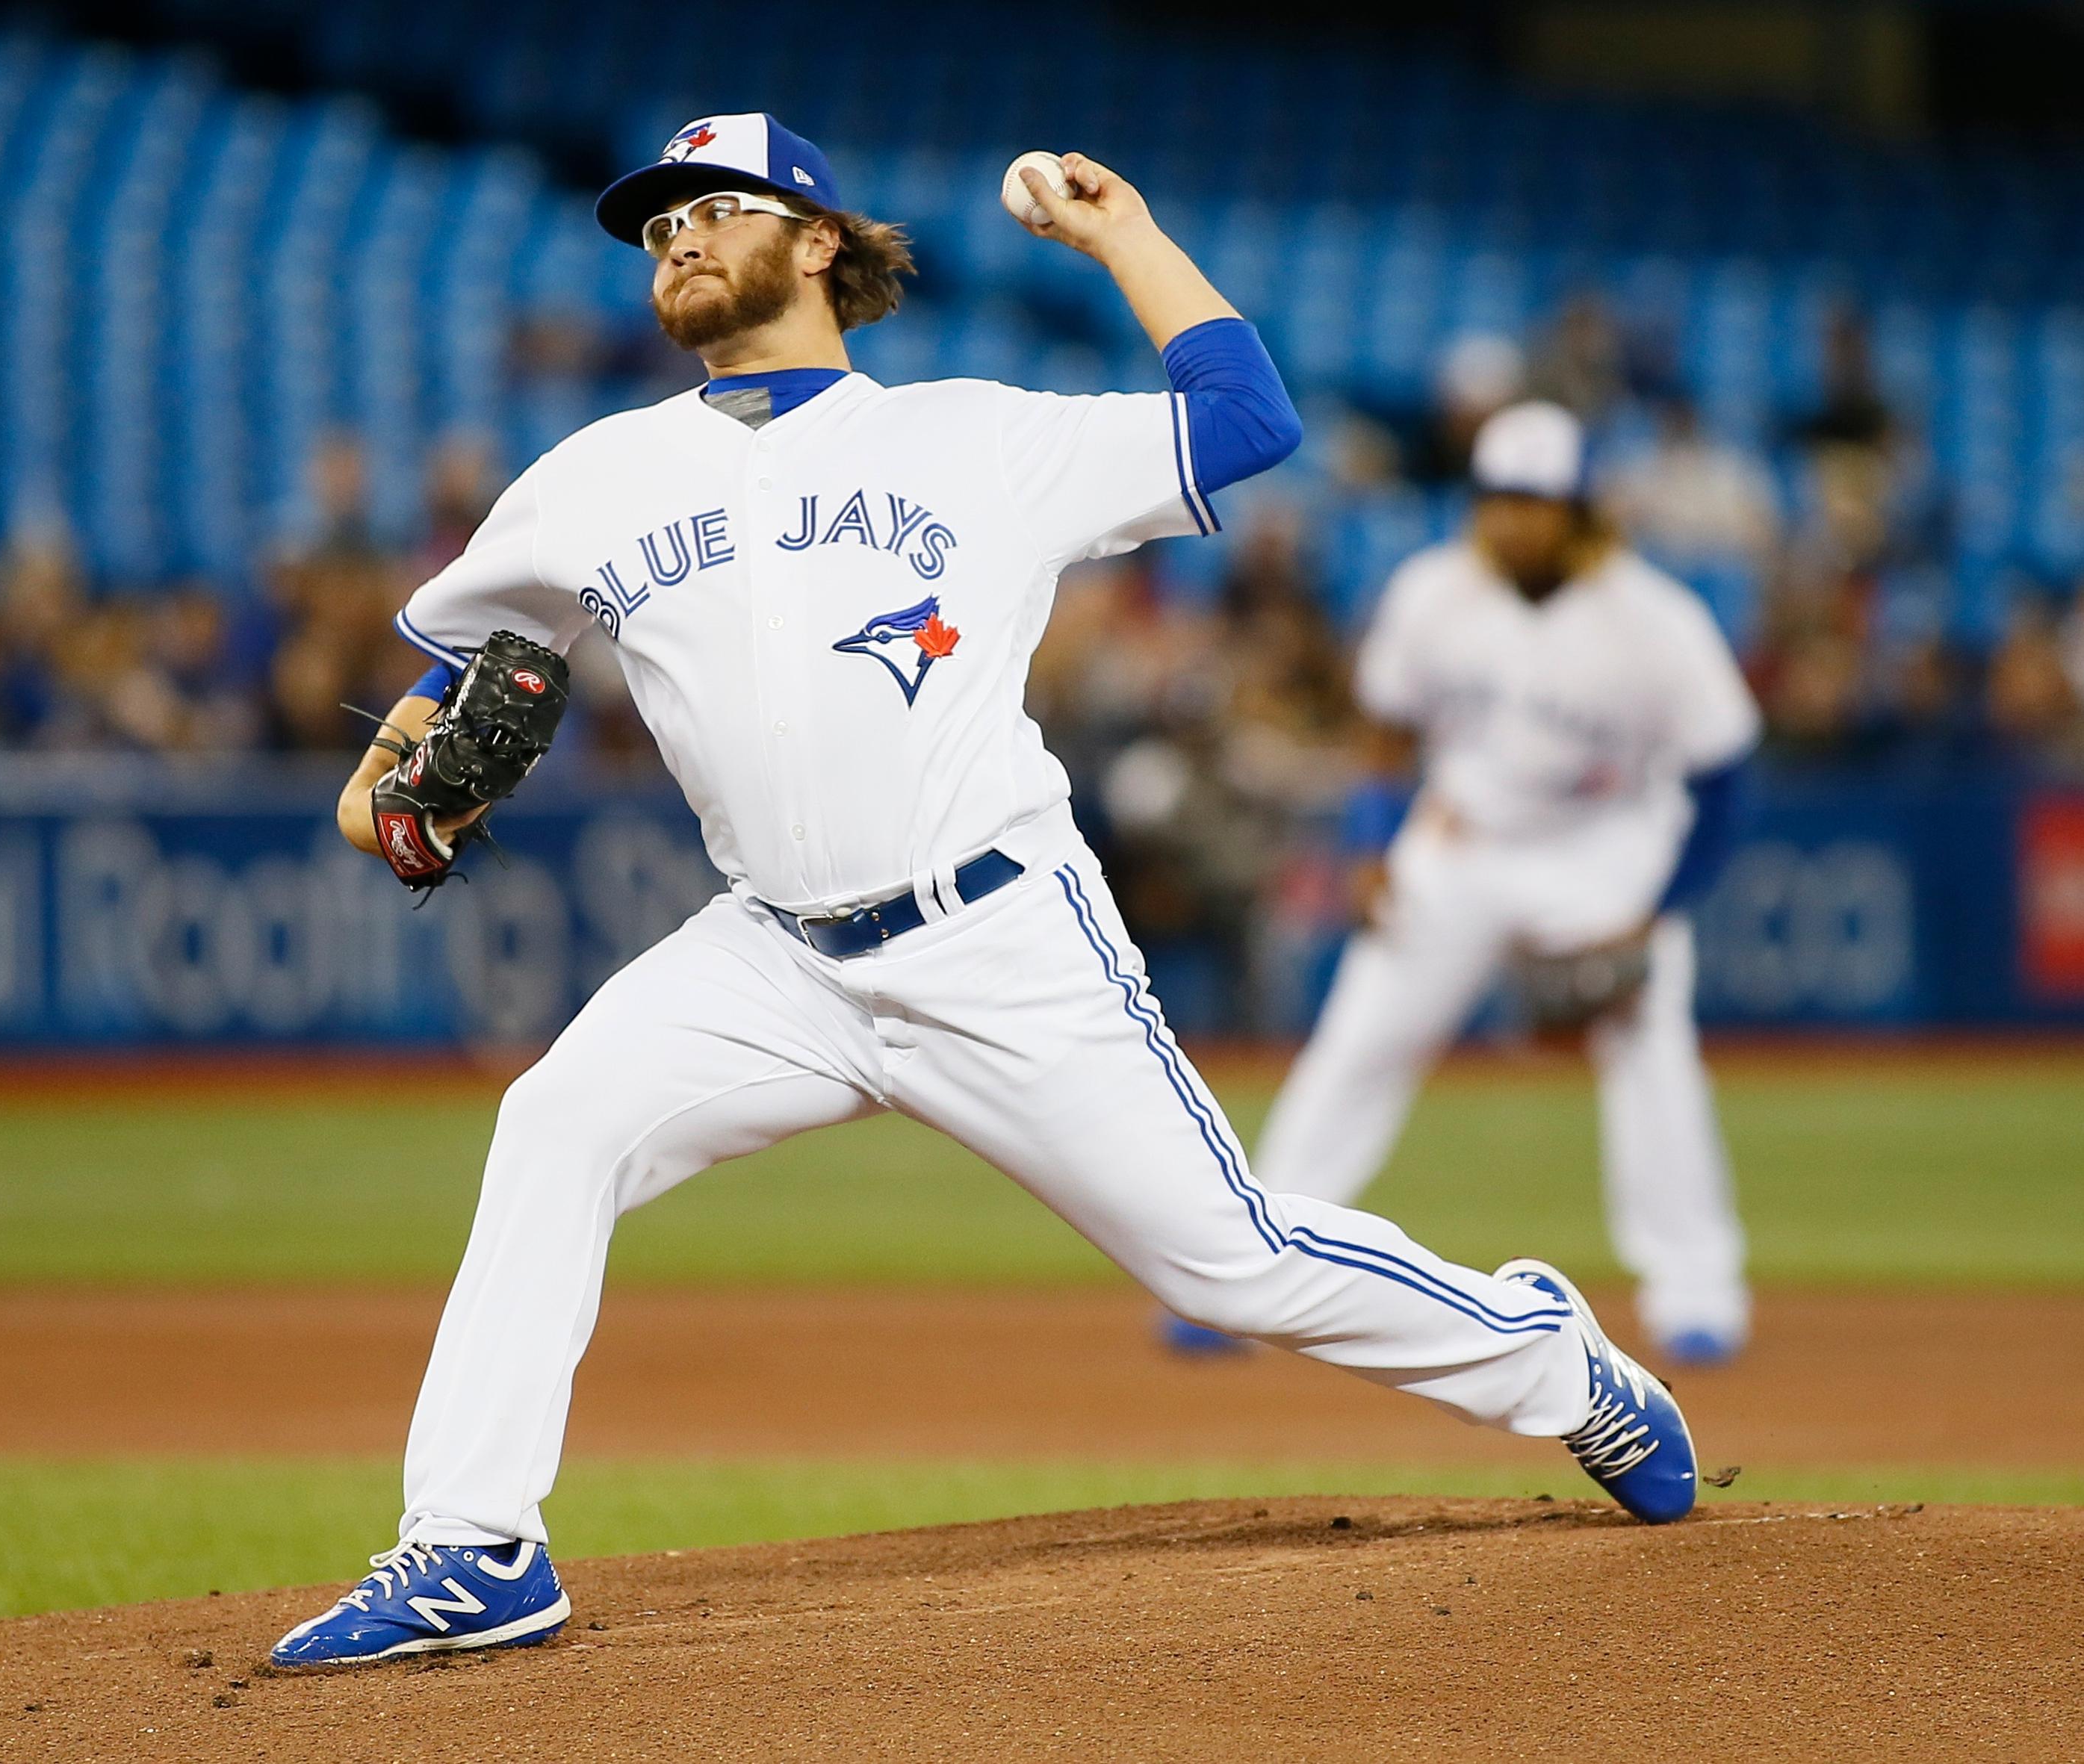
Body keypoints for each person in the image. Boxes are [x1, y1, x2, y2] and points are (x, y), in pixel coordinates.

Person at [270, 117, 1699, 1670]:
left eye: (712, 208)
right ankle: (473, 1544)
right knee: (554, 1123)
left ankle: (1546, 1353)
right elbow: (467, 662)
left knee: (1227, 1262)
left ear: (816, 240)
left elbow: (1244, 416)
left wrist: (1123, 238)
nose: (672, 235)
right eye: (652, 223)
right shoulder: (592, 477)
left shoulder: (974, 435)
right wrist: (388, 777)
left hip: (995, 932)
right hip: (766, 957)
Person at [1249, 401, 1761, 1372]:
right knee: (1359, 1038)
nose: (1513, 520)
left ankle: (1697, 1288)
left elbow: (1727, 778)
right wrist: (1369, 845)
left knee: (1652, 1051)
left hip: (1606, 850)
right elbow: (1386, 726)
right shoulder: (1433, 592)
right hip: (1462, 841)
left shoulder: (1657, 621)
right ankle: (1258, 1259)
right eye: (1498, 499)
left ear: (1579, 510)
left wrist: (1656, 915)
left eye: (1536, 501)